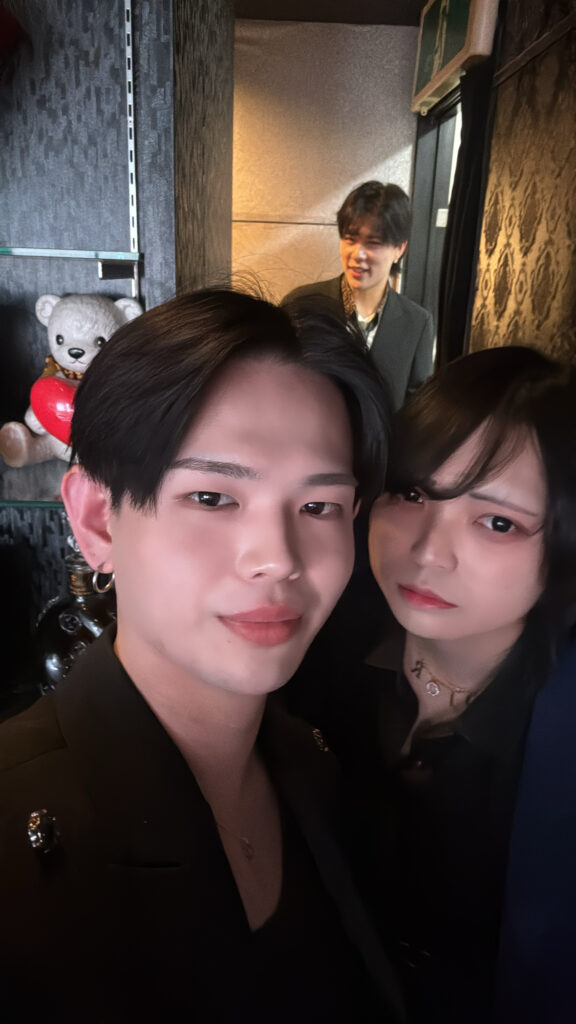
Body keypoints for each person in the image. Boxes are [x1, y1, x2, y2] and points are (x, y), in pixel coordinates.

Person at [0, 289, 403, 1023]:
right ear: (97, 519)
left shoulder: (314, 765)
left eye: (318, 507)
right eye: (213, 498)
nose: (278, 558)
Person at [293, 345, 576, 1022]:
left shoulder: (560, 740)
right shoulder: (308, 647)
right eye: (413, 493)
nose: (427, 551)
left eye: (498, 522)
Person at [283, 181, 435, 410]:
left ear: (399, 249)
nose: (358, 254)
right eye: (350, 239)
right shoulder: (302, 304)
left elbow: (417, 410)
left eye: (373, 243)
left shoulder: (417, 323)